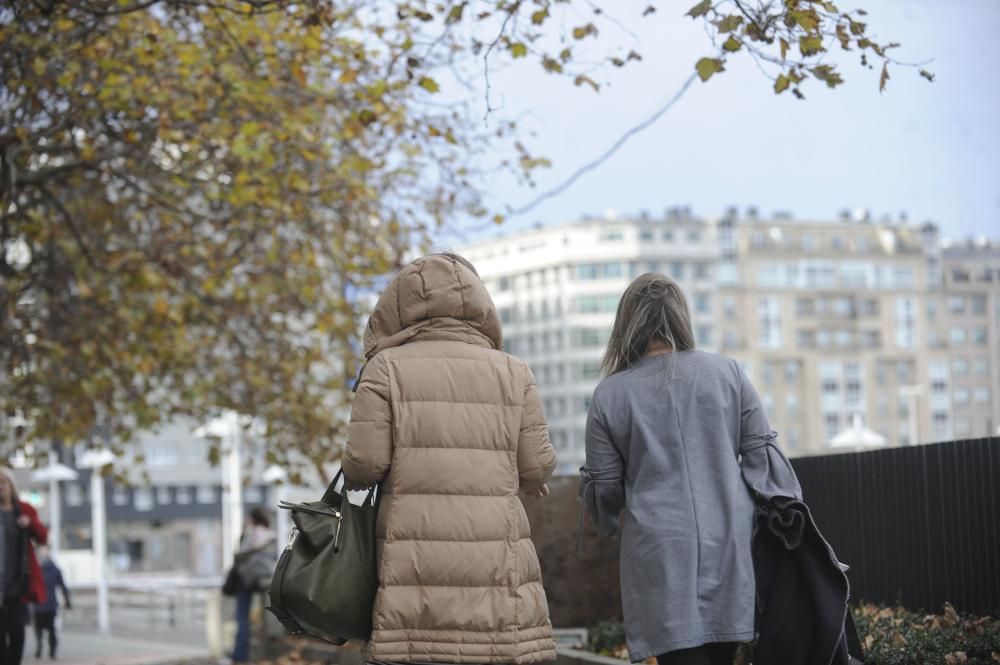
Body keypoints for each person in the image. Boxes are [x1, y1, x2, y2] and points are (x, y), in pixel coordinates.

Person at [343, 253, 558, 664]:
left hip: (413, 573)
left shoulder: (383, 369)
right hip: (496, 571)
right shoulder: (514, 371)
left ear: (398, 306)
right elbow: (537, 465)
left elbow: (364, 464)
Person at [578, 273, 803, 665]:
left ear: (625, 325)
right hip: (730, 543)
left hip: (658, 552)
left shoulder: (610, 395)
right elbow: (764, 467)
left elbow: (607, 496)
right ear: (681, 317)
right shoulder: (728, 373)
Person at [0, 468, 48, 665]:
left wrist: (30, 524)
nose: (0, 486)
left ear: (11, 485)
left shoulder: (25, 510)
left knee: (18, 632)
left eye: (3, 482)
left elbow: (42, 537)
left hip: (19, 585)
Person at [230, 507, 276, 663]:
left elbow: (240, 554)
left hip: (245, 579)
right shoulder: (271, 535)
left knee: (242, 617)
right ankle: (265, 654)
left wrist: (243, 531)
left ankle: (240, 655)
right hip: (265, 579)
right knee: (266, 618)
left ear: (252, 518)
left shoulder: (251, 534)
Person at [33, 545, 71, 660]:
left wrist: (67, 600)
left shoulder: (37, 568)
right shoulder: (53, 568)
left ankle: (45, 649)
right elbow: (63, 586)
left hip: (42, 605)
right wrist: (67, 601)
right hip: (47, 605)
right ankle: (50, 651)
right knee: (50, 629)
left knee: (43, 629)